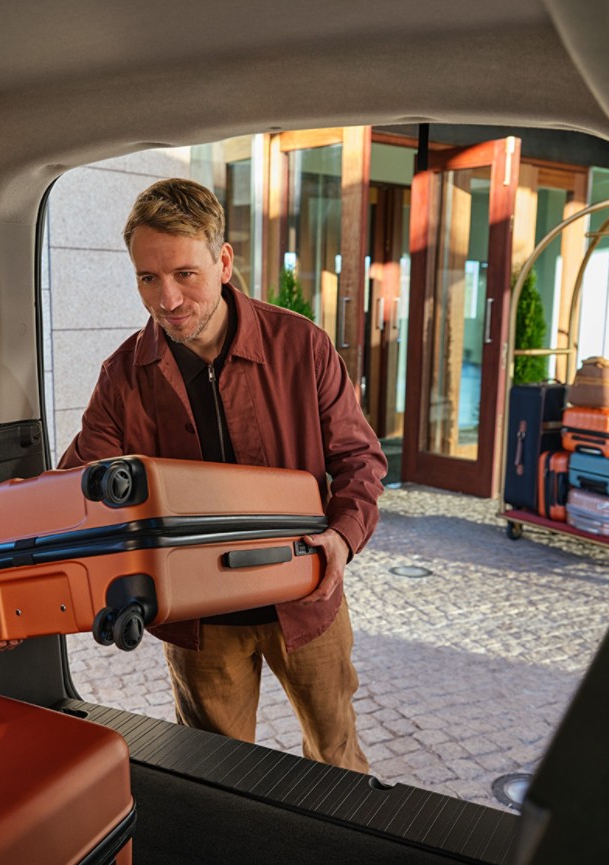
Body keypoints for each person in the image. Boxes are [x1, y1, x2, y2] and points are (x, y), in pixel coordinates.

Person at [64, 178, 386, 773]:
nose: (167, 299)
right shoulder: (122, 376)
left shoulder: (302, 345)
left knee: (338, 758)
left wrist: (341, 539)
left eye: (185, 273)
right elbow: (76, 491)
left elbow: (360, 461)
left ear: (224, 262)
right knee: (219, 776)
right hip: (198, 621)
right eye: (147, 278)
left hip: (307, 599)